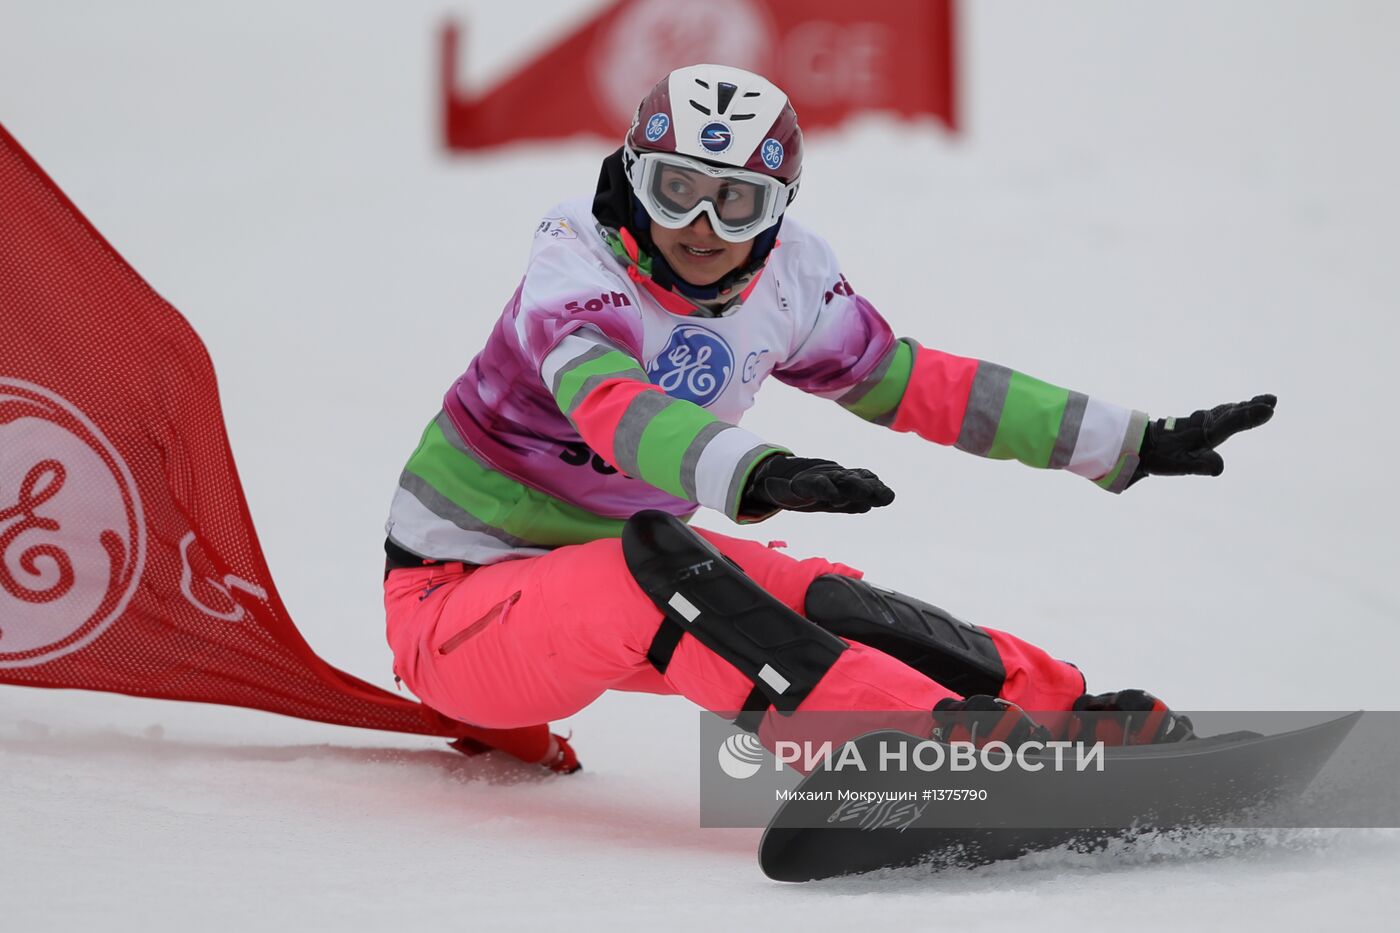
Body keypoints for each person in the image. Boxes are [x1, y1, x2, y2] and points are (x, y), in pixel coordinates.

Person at [381, 64, 1274, 768]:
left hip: (612, 576)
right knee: (654, 566)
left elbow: (916, 381)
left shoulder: (790, 281)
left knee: (816, 596)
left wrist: (1126, 440)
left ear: (778, 209)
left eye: (736, 199)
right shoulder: (577, 262)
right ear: (630, 176)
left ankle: (1068, 722)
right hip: (453, 599)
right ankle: (925, 754)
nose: (700, 224)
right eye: (675, 188)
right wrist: (755, 470)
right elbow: (616, 408)